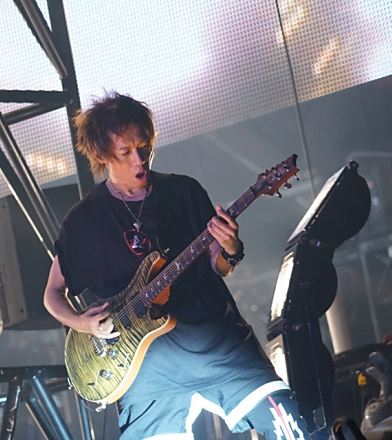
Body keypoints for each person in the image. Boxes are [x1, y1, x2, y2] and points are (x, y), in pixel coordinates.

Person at [44, 92, 311, 440]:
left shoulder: (183, 191)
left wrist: (230, 248)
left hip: (217, 345)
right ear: (100, 155)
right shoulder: (83, 221)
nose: (139, 159)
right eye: (125, 152)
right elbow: (52, 292)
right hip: (147, 373)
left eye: (144, 147)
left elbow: (218, 265)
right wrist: (81, 322)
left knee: (293, 431)